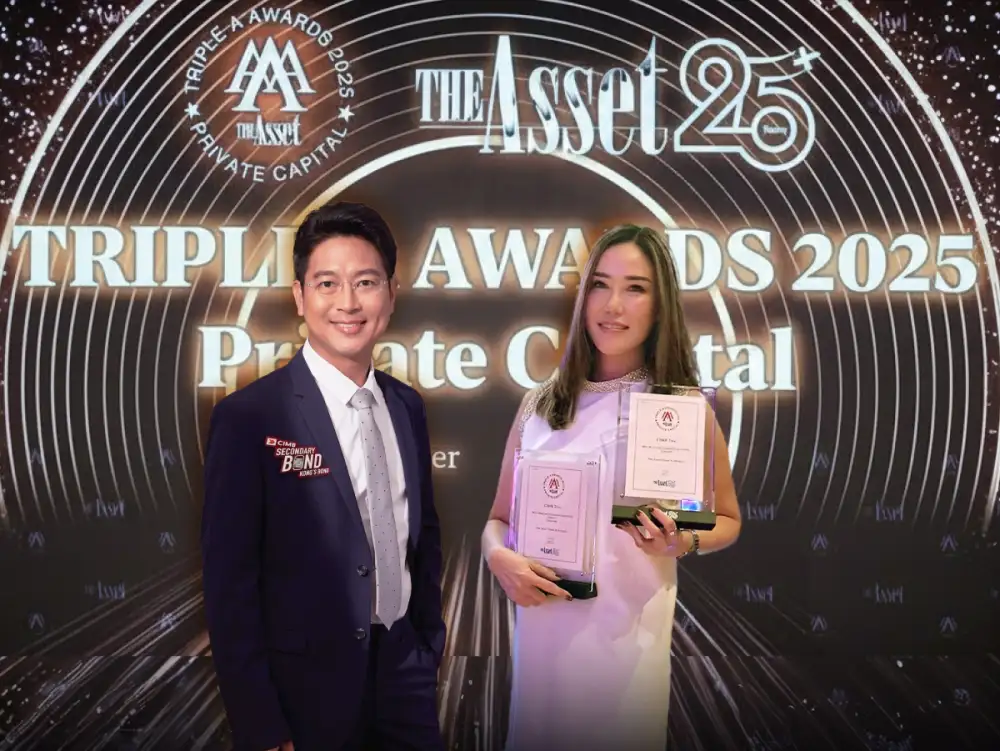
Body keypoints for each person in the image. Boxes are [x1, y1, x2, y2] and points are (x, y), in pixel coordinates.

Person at [481, 224, 742, 751]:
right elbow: (498, 520)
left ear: (660, 306)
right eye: (600, 284)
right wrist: (497, 557)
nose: (613, 305)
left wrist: (683, 539)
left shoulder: (680, 407)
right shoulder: (541, 403)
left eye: (635, 288)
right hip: (543, 644)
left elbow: (728, 520)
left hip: (628, 652)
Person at [201, 201, 447, 751]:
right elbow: (229, 586)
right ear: (299, 296)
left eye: (366, 282)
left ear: (392, 293)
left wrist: (426, 644)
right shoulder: (251, 417)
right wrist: (261, 724)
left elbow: (422, 535)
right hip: (303, 693)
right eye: (327, 283)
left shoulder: (406, 406)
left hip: (405, 675)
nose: (348, 303)